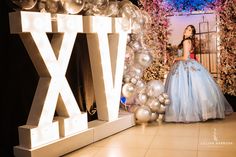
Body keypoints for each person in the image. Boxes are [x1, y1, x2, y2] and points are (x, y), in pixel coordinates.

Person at [164, 25, 233, 122]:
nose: (186, 31)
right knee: (190, 89)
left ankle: (187, 114)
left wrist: (175, 58)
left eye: (189, 30)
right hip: (186, 65)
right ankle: (194, 112)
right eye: (186, 28)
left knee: (184, 89)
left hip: (185, 66)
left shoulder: (186, 41)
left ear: (191, 34)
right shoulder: (187, 41)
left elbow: (185, 57)